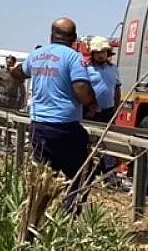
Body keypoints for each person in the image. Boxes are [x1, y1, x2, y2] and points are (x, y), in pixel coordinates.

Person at [11, 18, 97, 182]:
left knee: (42, 179)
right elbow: (81, 89)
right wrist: (93, 104)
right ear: (74, 38)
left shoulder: (36, 55)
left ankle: (40, 207)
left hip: (38, 126)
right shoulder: (73, 57)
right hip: (65, 127)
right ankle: (71, 206)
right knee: (81, 175)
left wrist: (13, 71)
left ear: (51, 35)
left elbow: (18, 73)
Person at [85, 37, 122, 176]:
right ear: (92, 54)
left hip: (108, 111)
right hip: (90, 112)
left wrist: (117, 108)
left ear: (108, 53)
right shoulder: (86, 69)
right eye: (97, 52)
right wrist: (89, 106)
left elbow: (117, 89)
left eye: (104, 51)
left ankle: (109, 174)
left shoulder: (113, 69)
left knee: (108, 143)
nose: (101, 54)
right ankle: (88, 172)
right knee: (88, 142)